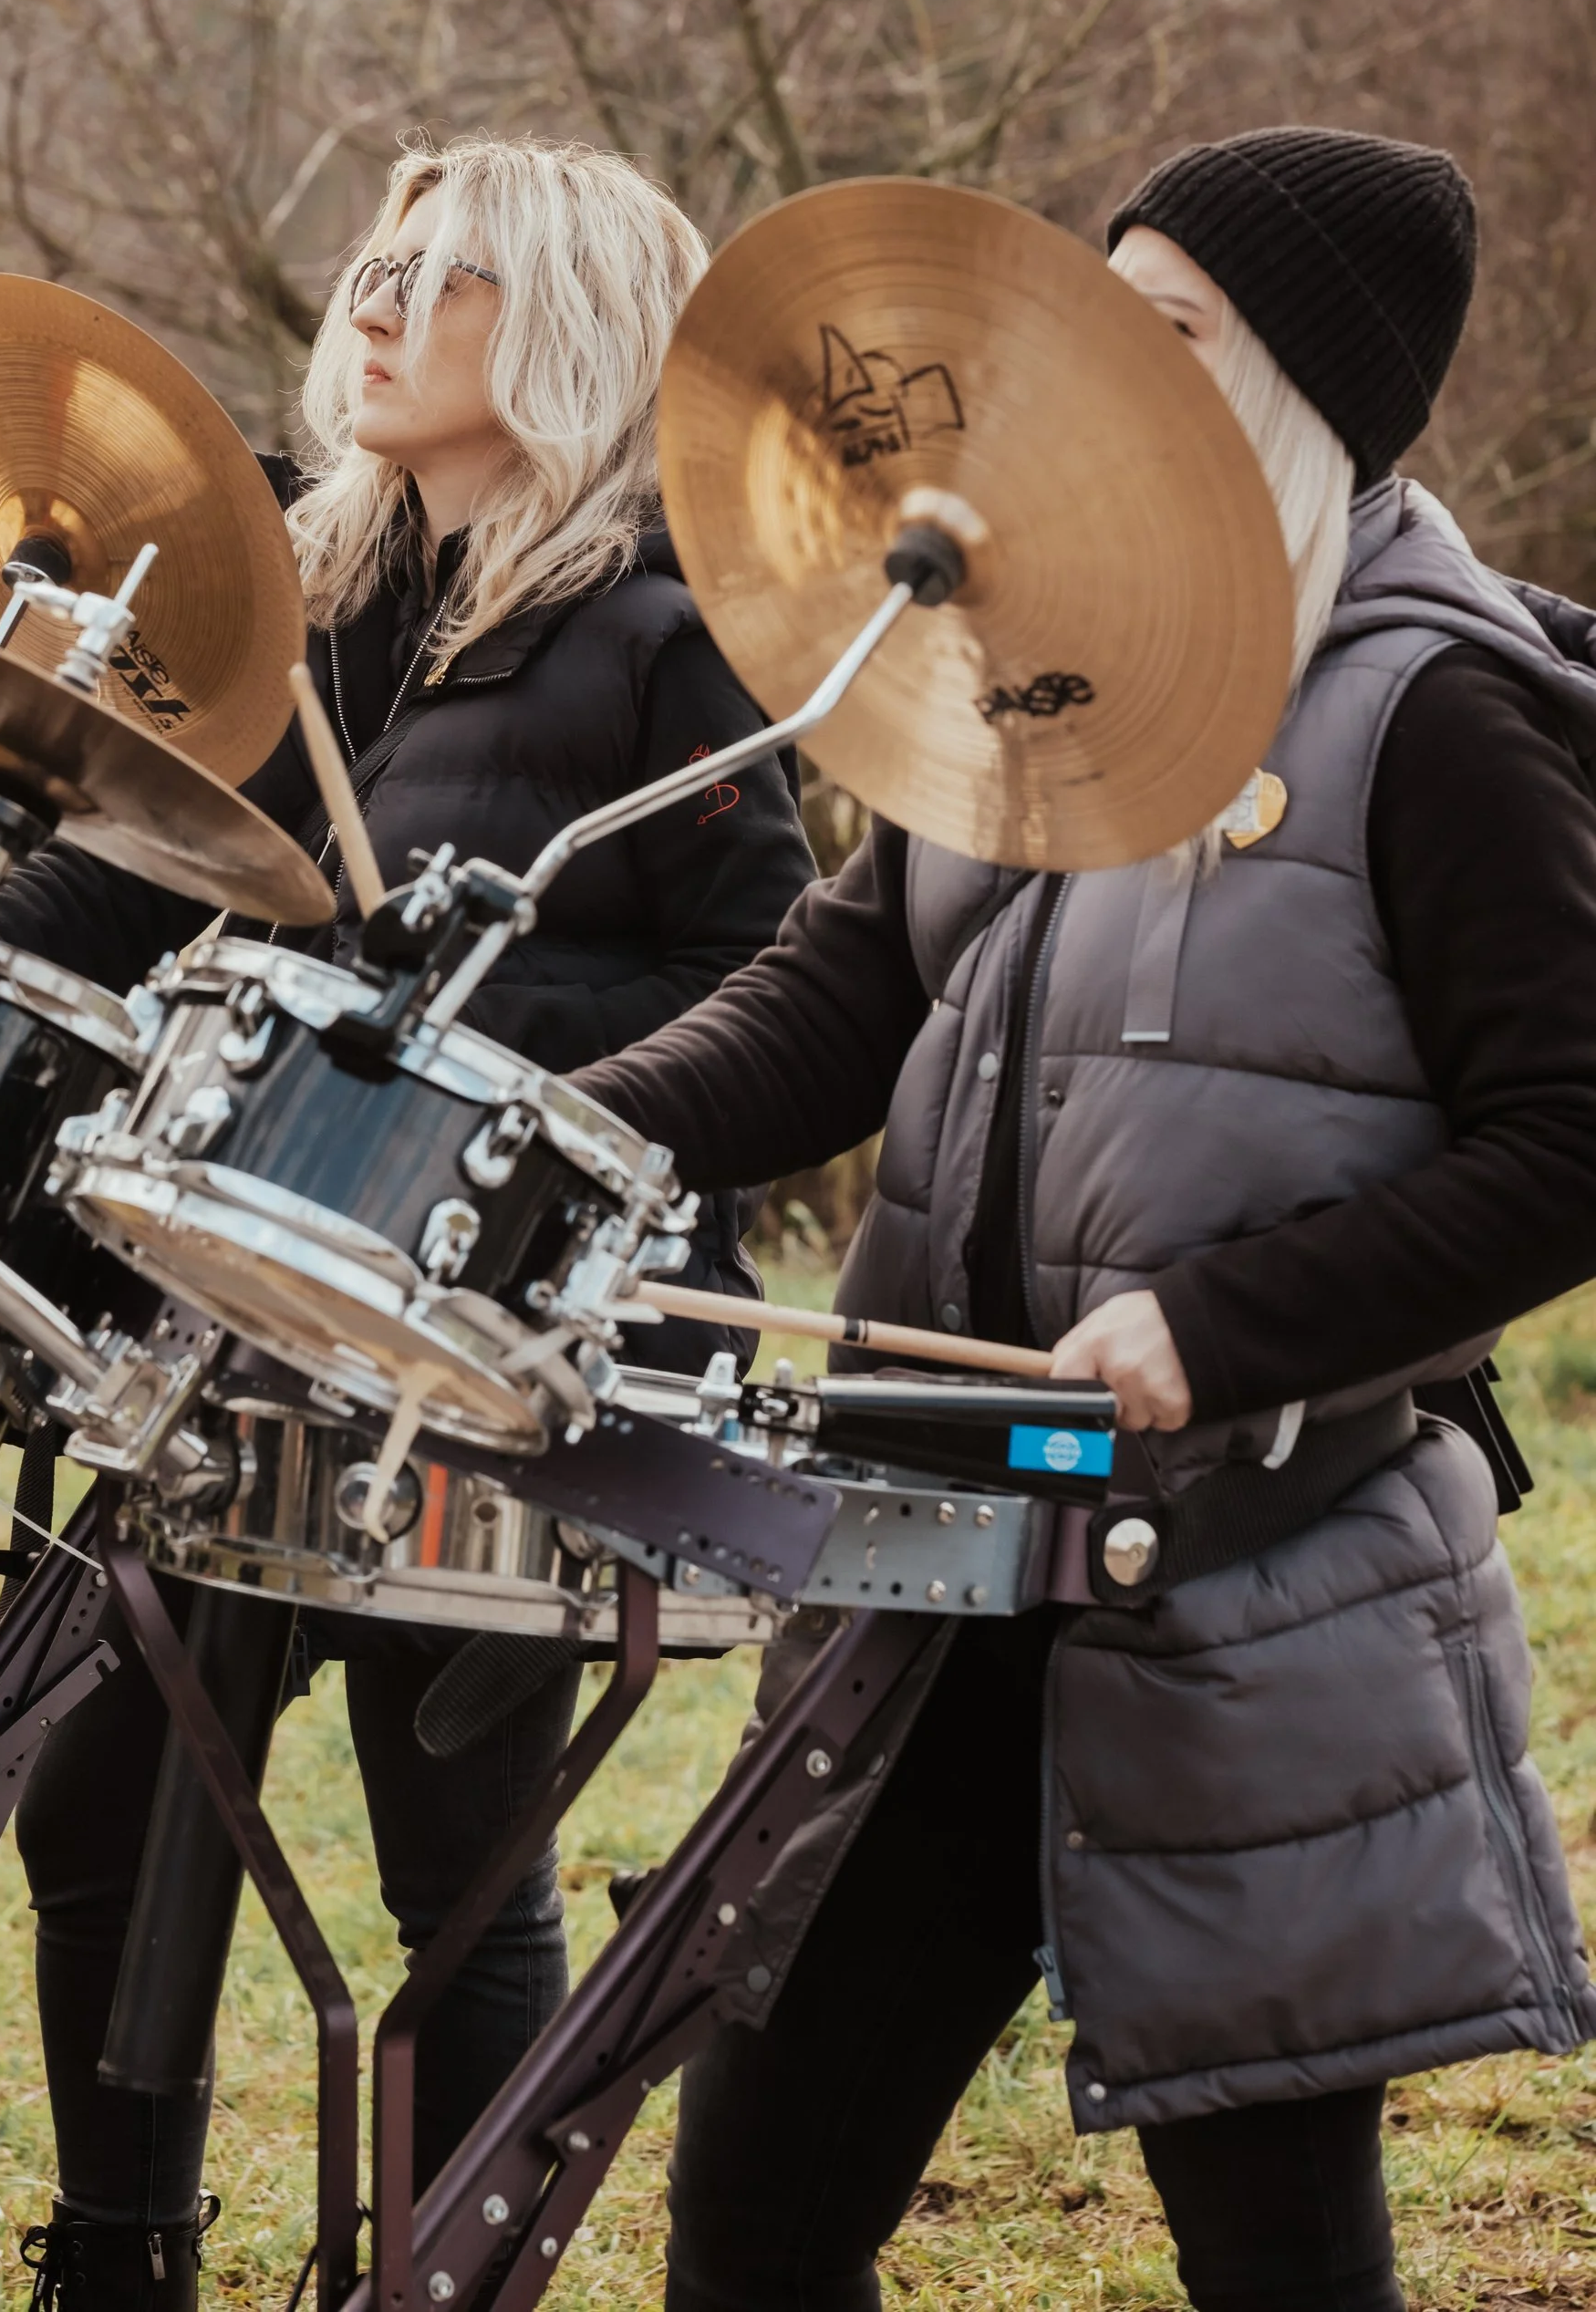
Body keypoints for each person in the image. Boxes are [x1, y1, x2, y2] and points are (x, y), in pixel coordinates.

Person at [573, 125, 1596, 2312]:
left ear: (1290, 391)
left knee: (1275, 2265)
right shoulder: (1035, 658)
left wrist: (1218, 1334)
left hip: (1244, 1592)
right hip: (928, 1560)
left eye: (1171, 329)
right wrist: (569, 1125)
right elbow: (841, 992)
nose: (1093, 370)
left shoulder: (1436, 707)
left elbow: (1570, 1136)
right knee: (749, 2222)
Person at [0, 135, 819, 2312]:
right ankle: (118, 2256)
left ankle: (448, 2278)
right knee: (106, 1797)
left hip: (522, 1334)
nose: (368, 302)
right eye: (368, 264)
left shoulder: (666, 634)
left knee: (454, 1861)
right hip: (236, 1292)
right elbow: (143, 862)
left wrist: (459, 1023)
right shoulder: (305, 609)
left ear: (553, 325)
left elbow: (783, 1001)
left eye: (434, 279)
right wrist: (9, 831)